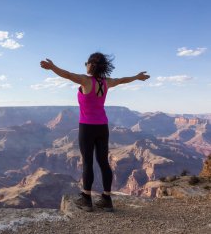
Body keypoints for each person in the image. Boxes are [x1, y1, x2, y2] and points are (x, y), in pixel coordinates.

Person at [40, 52, 150, 212]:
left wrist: (52, 67)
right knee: (103, 162)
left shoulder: (85, 80)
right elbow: (122, 80)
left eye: (87, 63)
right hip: (103, 127)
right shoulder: (107, 82)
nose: (85, 65)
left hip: (87, 127)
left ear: (92, 65)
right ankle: (106, 199)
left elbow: (67, 75)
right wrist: (137, 77)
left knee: (88, 162)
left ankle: (86, 199)